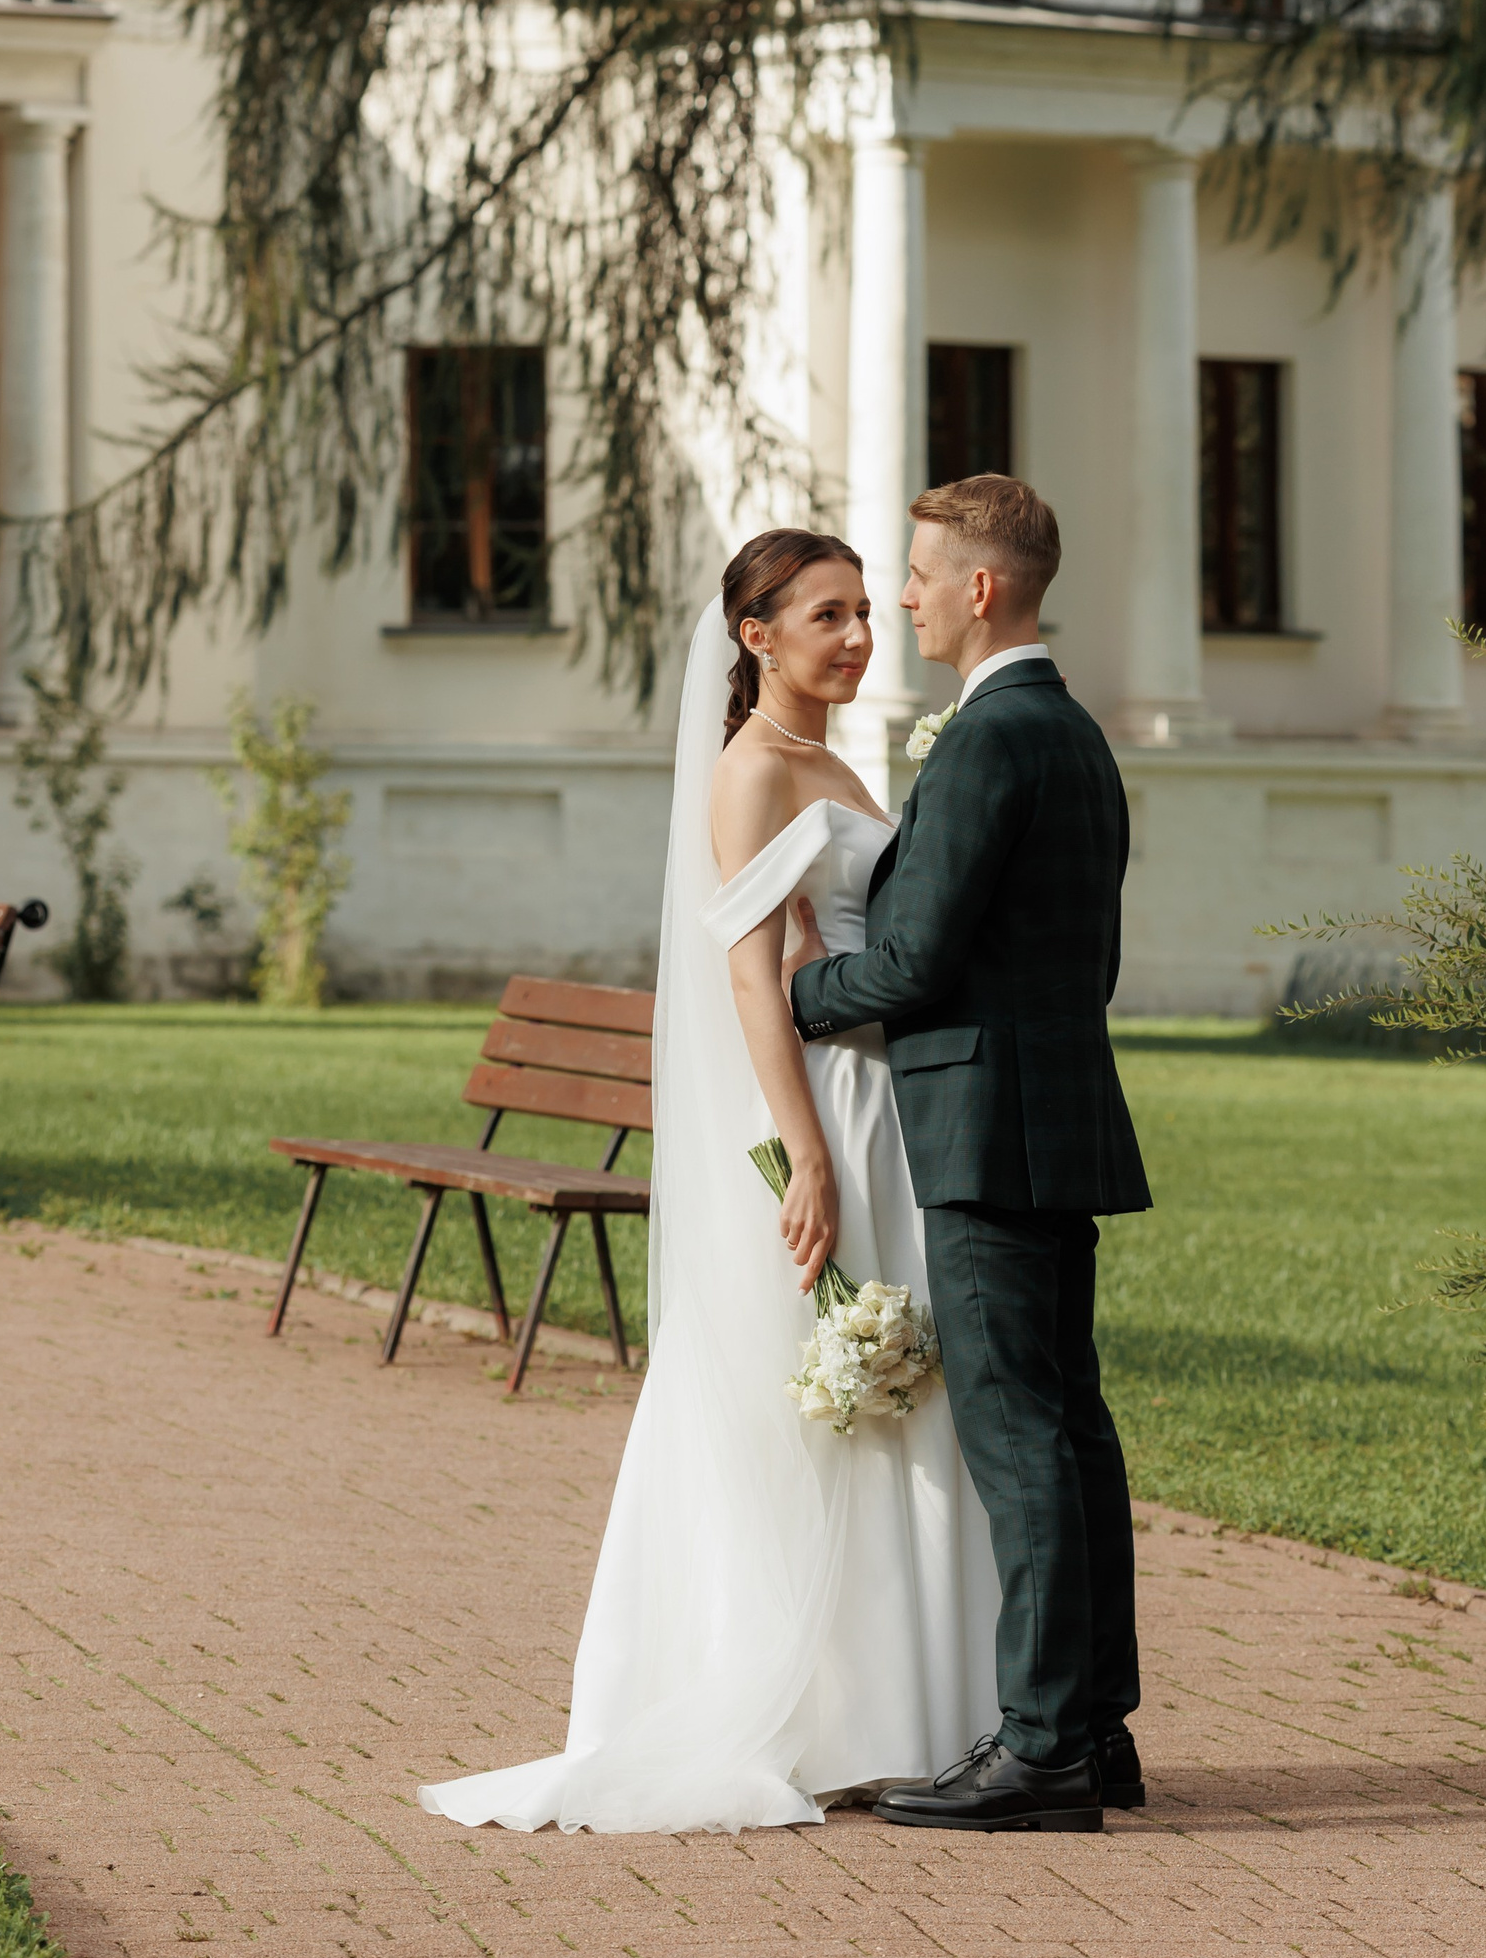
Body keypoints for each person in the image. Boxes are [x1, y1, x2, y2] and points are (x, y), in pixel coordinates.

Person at [418, 527, 1000, 1835]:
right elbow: (750, 977)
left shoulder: (834, 760)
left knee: (891, 1395)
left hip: (881, 1101)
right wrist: (805, 1150)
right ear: (756, 635)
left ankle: (902, 1711)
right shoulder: (751, 770)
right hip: (820, 1105)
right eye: (828, 615)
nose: (860, 636)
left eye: (866, 611)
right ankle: (813, 1710)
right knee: (809, 1391)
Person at [787, 474, 1150, 1832]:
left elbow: (915, 960)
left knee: (1019, 1434)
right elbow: (1087, 957)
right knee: (1072, 1427)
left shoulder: (991, 741)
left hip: (986, 1129)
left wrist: (794, 994)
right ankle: (1095, 1729)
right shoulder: (1076, 734)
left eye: (921, 576)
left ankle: (1044, 1749)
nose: (905, 600)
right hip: (1057, 1112)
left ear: (982, 588)